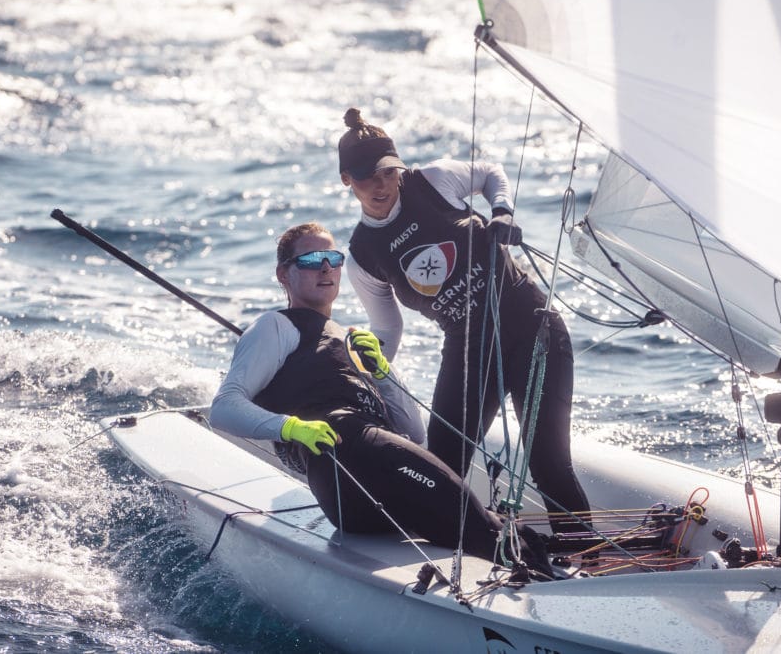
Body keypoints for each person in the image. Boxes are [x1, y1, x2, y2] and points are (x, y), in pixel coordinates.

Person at [209, 222, 551, 573]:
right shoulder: (275, 326)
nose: (326, 268)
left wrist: (383, 372)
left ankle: (529, 571)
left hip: (361, 495)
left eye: (332, 258)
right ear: (284, 274)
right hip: (346, 453)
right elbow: (223, 407)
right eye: (311, 260)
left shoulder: (347, 338)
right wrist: (292, 428)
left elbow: (413, 434)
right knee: (470, 513)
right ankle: (544, 589)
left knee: (489, 526)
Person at [337, 108, 589, 533]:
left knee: (547, 463)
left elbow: (490, 172)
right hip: (469, 351)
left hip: (533, 328)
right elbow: (388, 329)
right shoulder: (363, 255)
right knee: (442, 466)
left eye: (387, 173)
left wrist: (502, 211)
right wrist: (368, 374)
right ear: (347, 181)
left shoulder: (432, 181)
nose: (381, 186)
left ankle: (588, 557)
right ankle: (480, 545)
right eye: (366, 178)